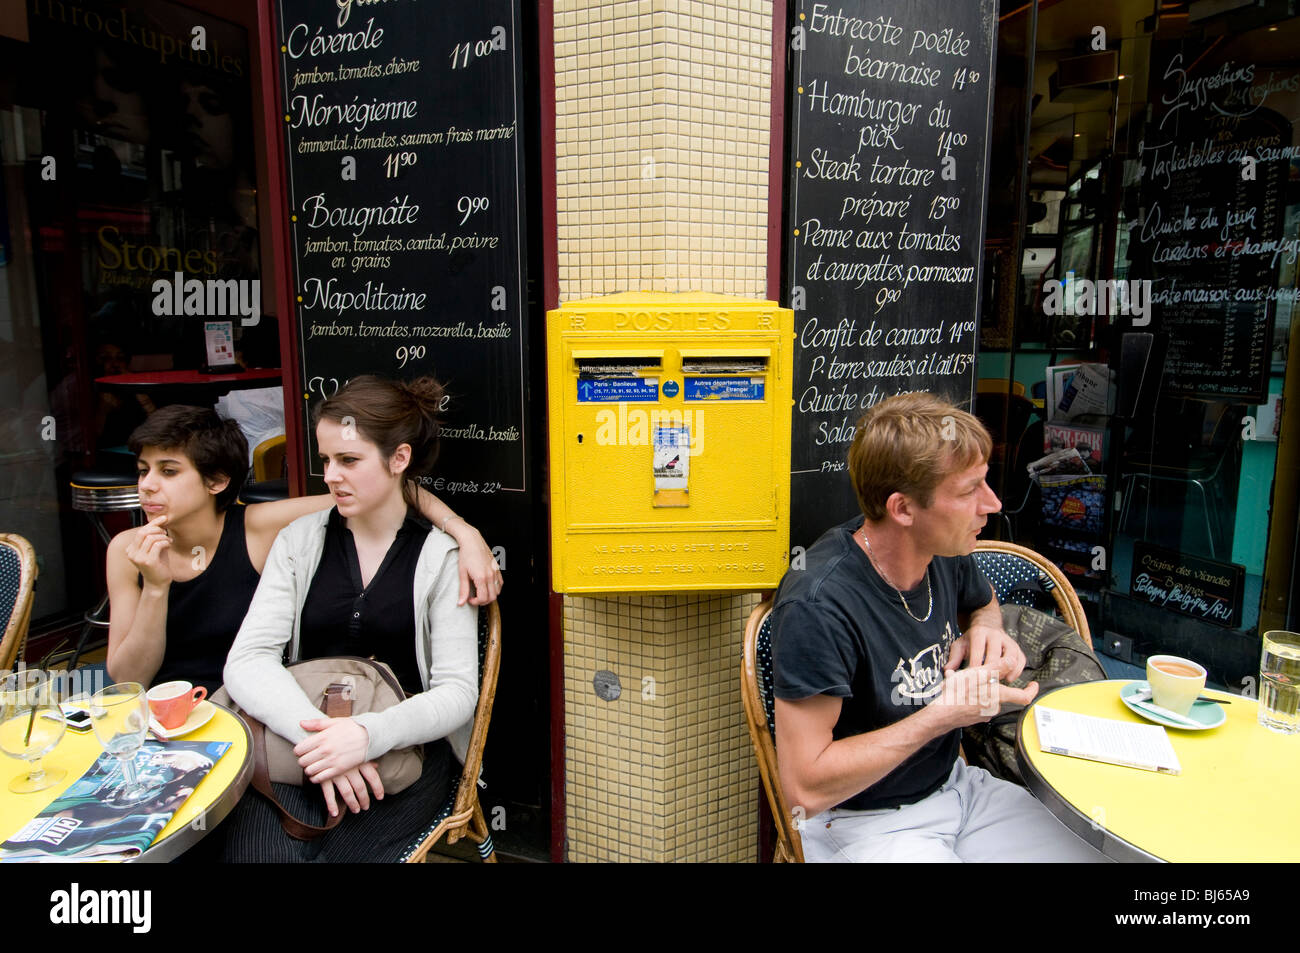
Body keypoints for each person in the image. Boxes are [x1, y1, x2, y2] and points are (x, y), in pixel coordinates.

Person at [770, 392, 1105, 862]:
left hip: (959, 790)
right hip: (863, 822)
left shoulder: (942, 552)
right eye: (969, 491)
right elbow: (805, 788)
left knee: (1099, 853)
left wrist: (988, 628)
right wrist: (944, 715)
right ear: (903, 510)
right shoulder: (818, 606)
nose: (993, 504)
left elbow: (983, 602)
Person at [217, 376, 478, 862]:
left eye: (350, 460)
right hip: (297, 738)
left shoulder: (441, 557)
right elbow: (248, 659)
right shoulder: (299, 541)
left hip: (404, 751)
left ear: (399, 459)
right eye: (327, 461)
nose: (332, 476)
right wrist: (321, 741)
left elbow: (458, 692)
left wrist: (364, 737)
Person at [105, 404, 500, 694]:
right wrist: (156, 588)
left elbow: (388, 491)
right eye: (143, 470)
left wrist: (465, 534)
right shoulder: (127, 550)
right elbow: (127, 679)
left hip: (247, 714)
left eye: (168, 471)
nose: (148, 485)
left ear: (217, 481)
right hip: (159, 718)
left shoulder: (258, 528)